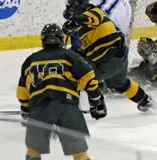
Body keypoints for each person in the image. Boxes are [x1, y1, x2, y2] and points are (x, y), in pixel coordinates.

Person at [16, 23, 107, 160]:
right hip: (67, 107)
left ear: (43, 40)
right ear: (61, 39)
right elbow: (88, 77)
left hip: (40, 108)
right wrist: (95, 100)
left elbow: (22, 92)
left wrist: (26, 110)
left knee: (33, 151)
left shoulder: (31, 60)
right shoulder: (70, 56)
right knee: (80, 153)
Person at [62, 0, 157, 112]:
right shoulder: (83, 29)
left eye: (71, 7)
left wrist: (74, 22)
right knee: (120, 84)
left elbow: (89, 18)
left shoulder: (93, 11)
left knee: (75, 74)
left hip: (108, 60)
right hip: (119, 59)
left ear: (76, 6)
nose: (70, 10)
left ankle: (69, 109)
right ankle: (146, 101)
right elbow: (86, 50)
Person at [64, 0, 135, 65]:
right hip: (108, 39)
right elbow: (121, 33)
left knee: (78, 35)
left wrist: (69, 11)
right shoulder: (127, 6)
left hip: (91, 22)